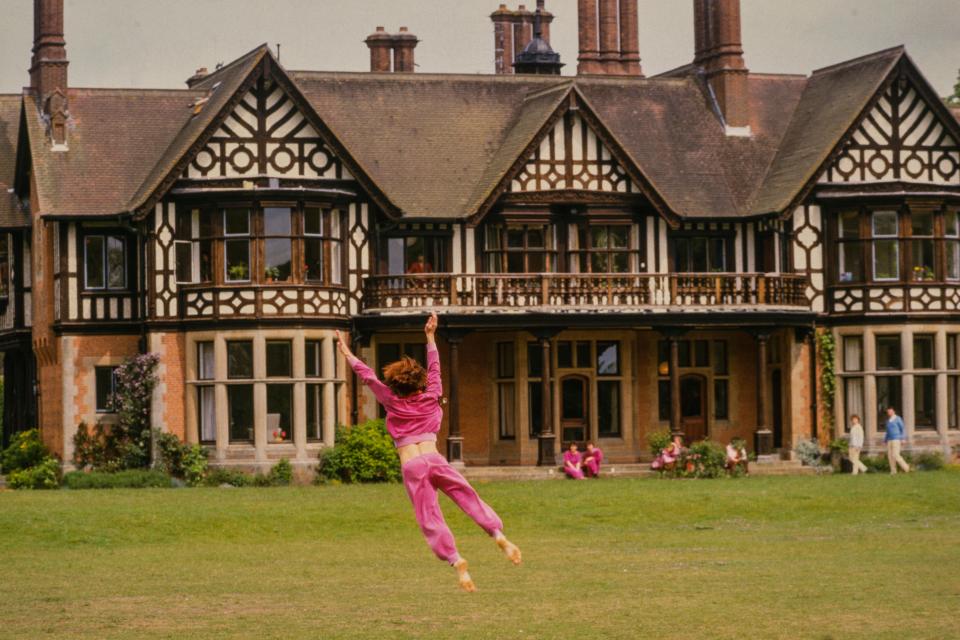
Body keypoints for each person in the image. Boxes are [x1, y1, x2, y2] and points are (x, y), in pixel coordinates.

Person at [335, 312, 520, 592]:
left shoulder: (391, 400)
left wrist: (346, 350)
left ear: (396, 385)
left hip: (412, 465)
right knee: (466, 495)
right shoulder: (433, 393)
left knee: (429, 515)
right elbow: (435, 367)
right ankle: (497, 533)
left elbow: (367, 376)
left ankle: (456, 560)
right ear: (420, 382)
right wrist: (430, 335)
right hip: (435, 458)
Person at [884, 406, 911, 475]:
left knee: (895, 455)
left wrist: (903, 438)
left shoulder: (898, 419)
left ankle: (906, 468)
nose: (889, 413)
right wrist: (885, 440)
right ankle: (893, 471)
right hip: (889, 440)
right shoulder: (888, 421)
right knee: (890, 456)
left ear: (893, 411)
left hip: (896, 439)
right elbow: (887, 432)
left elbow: (903, 429)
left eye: (890, 411)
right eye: (888, 412)